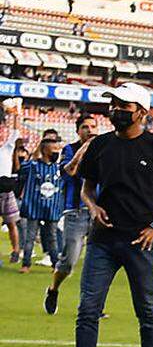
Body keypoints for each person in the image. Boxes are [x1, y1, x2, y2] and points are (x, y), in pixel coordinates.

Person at [54, 82, 153, 347]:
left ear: (141, 112)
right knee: (88, 310)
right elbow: (87, 186)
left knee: (148, 312)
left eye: (123, 105)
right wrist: (92, 205)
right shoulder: (100, 145)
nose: (116, 110)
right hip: (101, 241)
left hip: (140, 243)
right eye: (113, 104)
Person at [45, 115, 97, 313]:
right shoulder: (69, 150)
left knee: (97, 262)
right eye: (85, 127)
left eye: (93, 126)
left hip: (98, 213)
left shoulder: (104, 149)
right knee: (69, 261)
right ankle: (53, 289)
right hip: (75, 212)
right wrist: (86, 147)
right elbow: (71, 171)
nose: (90, 130)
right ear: (78, 131)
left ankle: (92, 305)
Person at [18, 134, 65, 273]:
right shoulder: (33, 166)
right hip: (34, 207)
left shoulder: (59, 168)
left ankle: (55, 265)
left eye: (58, 149)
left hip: (52, 208)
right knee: (30, 237)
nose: (56, 152)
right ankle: (26, 264)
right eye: (53, 149)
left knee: (52, 238)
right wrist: (38, 148)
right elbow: (22, 168)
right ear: (45, 151)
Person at [0, 100, 23, 263]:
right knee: (11, 222)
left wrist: (15, 114)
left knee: (11, 222)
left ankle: (16, 250)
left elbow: (15, 131)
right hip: (4, 187)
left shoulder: (7, 146)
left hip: (6, 188)